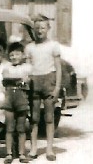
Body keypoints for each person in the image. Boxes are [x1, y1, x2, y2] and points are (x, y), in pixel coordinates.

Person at [25, 15, 61, 161]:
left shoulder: (53, 45)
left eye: (43, 27)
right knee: (34, 118)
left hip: (49, 81)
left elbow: (58, 68)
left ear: (48, 29)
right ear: (33, 29)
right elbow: (27, 68)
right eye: (37, 28)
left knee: (49, 117)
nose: (39, 30)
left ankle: (49, 149)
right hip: (34, 82)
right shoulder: (29, 47)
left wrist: (57, 87)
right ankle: (33, 149)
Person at [0, 41, 33, 163]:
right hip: (9, 100)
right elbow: (5, 80)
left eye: (17, 54)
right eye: (12, 55)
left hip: (21, 100)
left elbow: (28, 80)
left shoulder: (27, 68)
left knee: (21, 128)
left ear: (23, 55)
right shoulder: (6, 67)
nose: (14, 57)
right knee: (9, 128)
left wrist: (24, 80)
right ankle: (8, 153)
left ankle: (22, 153)